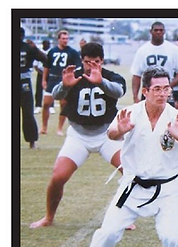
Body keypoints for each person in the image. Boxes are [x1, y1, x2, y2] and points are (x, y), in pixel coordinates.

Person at [80, 66, 178, 247]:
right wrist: (119, 131)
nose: (163, 94)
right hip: (131, 187)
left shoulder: (177, 117)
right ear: (145, 91)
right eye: (157, 89)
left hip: (167, 189)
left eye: (166, 88)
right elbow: (112, 133)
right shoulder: (130, 113)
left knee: (174, 237)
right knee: (107, 233)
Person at [30, 42, 127, 229]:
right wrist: (64, 86)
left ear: (102, 61)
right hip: (79, 135)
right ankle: (49, 217)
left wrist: (101, 82)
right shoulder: (74, 75)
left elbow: (119, 91)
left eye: (96, 62)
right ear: (81, 60)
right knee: (58, 176)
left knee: (131, 172)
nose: (91, 66)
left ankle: (125, 216)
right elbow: (57, 95)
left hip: (107, 134)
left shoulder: (110, 76)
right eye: (87, 62)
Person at [130, 22, 178, 104]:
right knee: (147, 116)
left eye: (161, 30)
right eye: (156, 30)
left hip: (166, 92)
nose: (158, 32)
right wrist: (135, 96)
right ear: (151, 31)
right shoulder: (142, 50)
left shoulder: (173, 49)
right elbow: (136, 75)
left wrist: (169, 86)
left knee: (168, 115)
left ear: (164, 32)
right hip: (148, 91)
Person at [41, 30, 81, 136]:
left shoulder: (72, 52)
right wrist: (44, 80)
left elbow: (78, 66)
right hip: (52, 79)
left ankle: (59, 128)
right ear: (58, 39)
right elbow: (46, 67)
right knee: (46, 103)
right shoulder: (52, 51)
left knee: (63, 104)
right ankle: (44, 127)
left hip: (64, 80)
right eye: (63, 38)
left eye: (67, 38)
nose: (65, 40)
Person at [18, 27, 46, 149]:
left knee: (28, 112)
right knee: (28, 112)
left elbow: (44, 59)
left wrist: (34, 49)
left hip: (24, 82)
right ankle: (32, 141)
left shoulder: (28, 48)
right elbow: (45, 59)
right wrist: (35, 49)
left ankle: (32, 140)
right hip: (24, 82)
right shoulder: (28, 47)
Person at [33, 39, 50, 114]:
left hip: (49, 73)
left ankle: (51, 106)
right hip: (41, 73)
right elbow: (35, 65)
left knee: (50, 90)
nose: (47, 45)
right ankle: (38, 106)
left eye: (48, 44)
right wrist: (41, 73)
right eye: (46, 44)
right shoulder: (39, 52)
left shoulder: (50, 52)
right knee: (39, 89)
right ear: (43, 44)